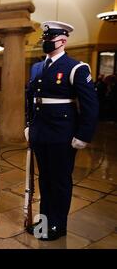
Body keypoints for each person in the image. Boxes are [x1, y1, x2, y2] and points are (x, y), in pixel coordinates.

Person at [25, 21, 99, 241]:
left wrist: (83, 135)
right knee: (44, 179)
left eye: (50, 39)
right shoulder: (38, 67)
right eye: (44, 39)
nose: (46, 43)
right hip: (40, 132)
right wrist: (29, 124)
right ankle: (45, 222)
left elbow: (90, 105)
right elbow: (31, 99)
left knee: (59, 181)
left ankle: (58, 225)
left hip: (62, 134)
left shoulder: (76, 67)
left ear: (63, 40)